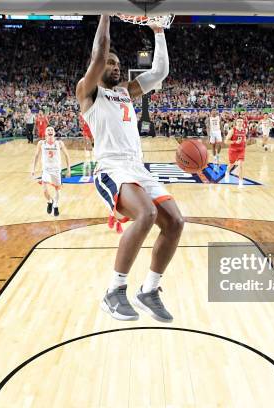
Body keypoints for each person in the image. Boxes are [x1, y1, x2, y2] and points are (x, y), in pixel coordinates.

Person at [76, 15, 183, 322]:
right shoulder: (88, 91)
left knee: (175, 222)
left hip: (137, 168)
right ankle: (114, 291)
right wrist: (106, 10)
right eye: (110, 63)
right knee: (147, 213)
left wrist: (159, 32)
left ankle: (149, 290)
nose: (115, 66)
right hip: (111, 168)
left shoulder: (126, 91)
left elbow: (160, 71)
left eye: (117, 63)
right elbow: (99, 52)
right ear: (97, 68)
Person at [31, 126, 71, 216]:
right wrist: (33, 169)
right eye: (48, 130)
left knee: (57, 190)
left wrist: (69, 168)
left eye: (51, 130)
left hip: (56, 170)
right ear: (45, 133)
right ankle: (50, 201)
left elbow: (67, 155)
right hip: (46, 170)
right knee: (44, 190)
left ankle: (56, 205)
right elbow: (36, 156)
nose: (50, 131)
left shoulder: (59, 143)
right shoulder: (41, 143)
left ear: (54, 133)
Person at [224, 117, 247, 187]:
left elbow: (244, 138)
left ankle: (240, 183)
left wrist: (244, 143)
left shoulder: (244, 130)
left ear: (243, 122)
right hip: (233, 150)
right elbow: (225, 141)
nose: (240, 123)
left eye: (241, 121)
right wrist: (235, 142)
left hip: (241, 150)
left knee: (240, 165)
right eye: (238, 121)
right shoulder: (232, 130)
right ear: (236, 122)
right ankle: (227, 172)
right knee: (231, 164)